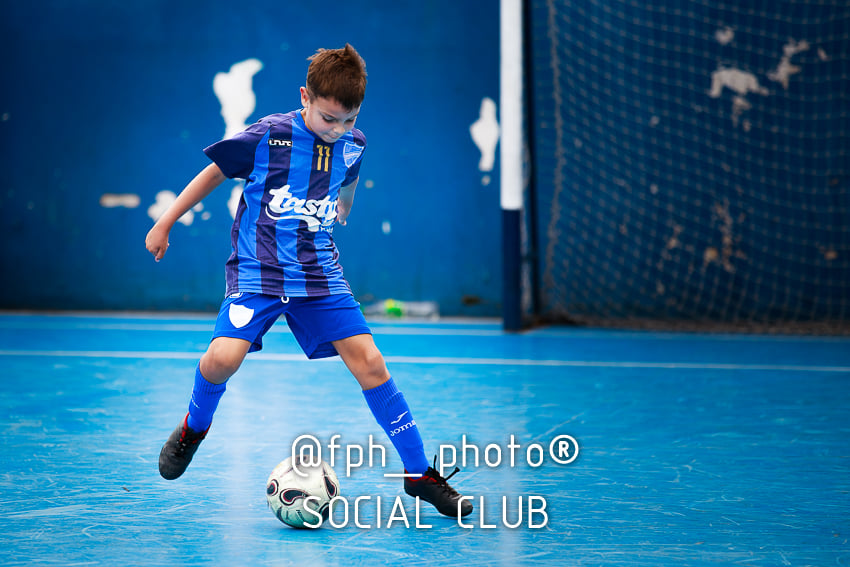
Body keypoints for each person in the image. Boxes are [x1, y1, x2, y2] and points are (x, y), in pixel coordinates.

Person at [144, 43, 472, 518]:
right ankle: (194, 427)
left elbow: (350, 175)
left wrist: (345, 205)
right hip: (258, 272)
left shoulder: (354, 144)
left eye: (348, 120)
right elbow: (214, 173)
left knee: (371, 364)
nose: (338, 130)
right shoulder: (269, 137)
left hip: (319, 276)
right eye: (327, 119)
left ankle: (420, 475)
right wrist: (166, 220)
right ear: (305, 98)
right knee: (221, 360)